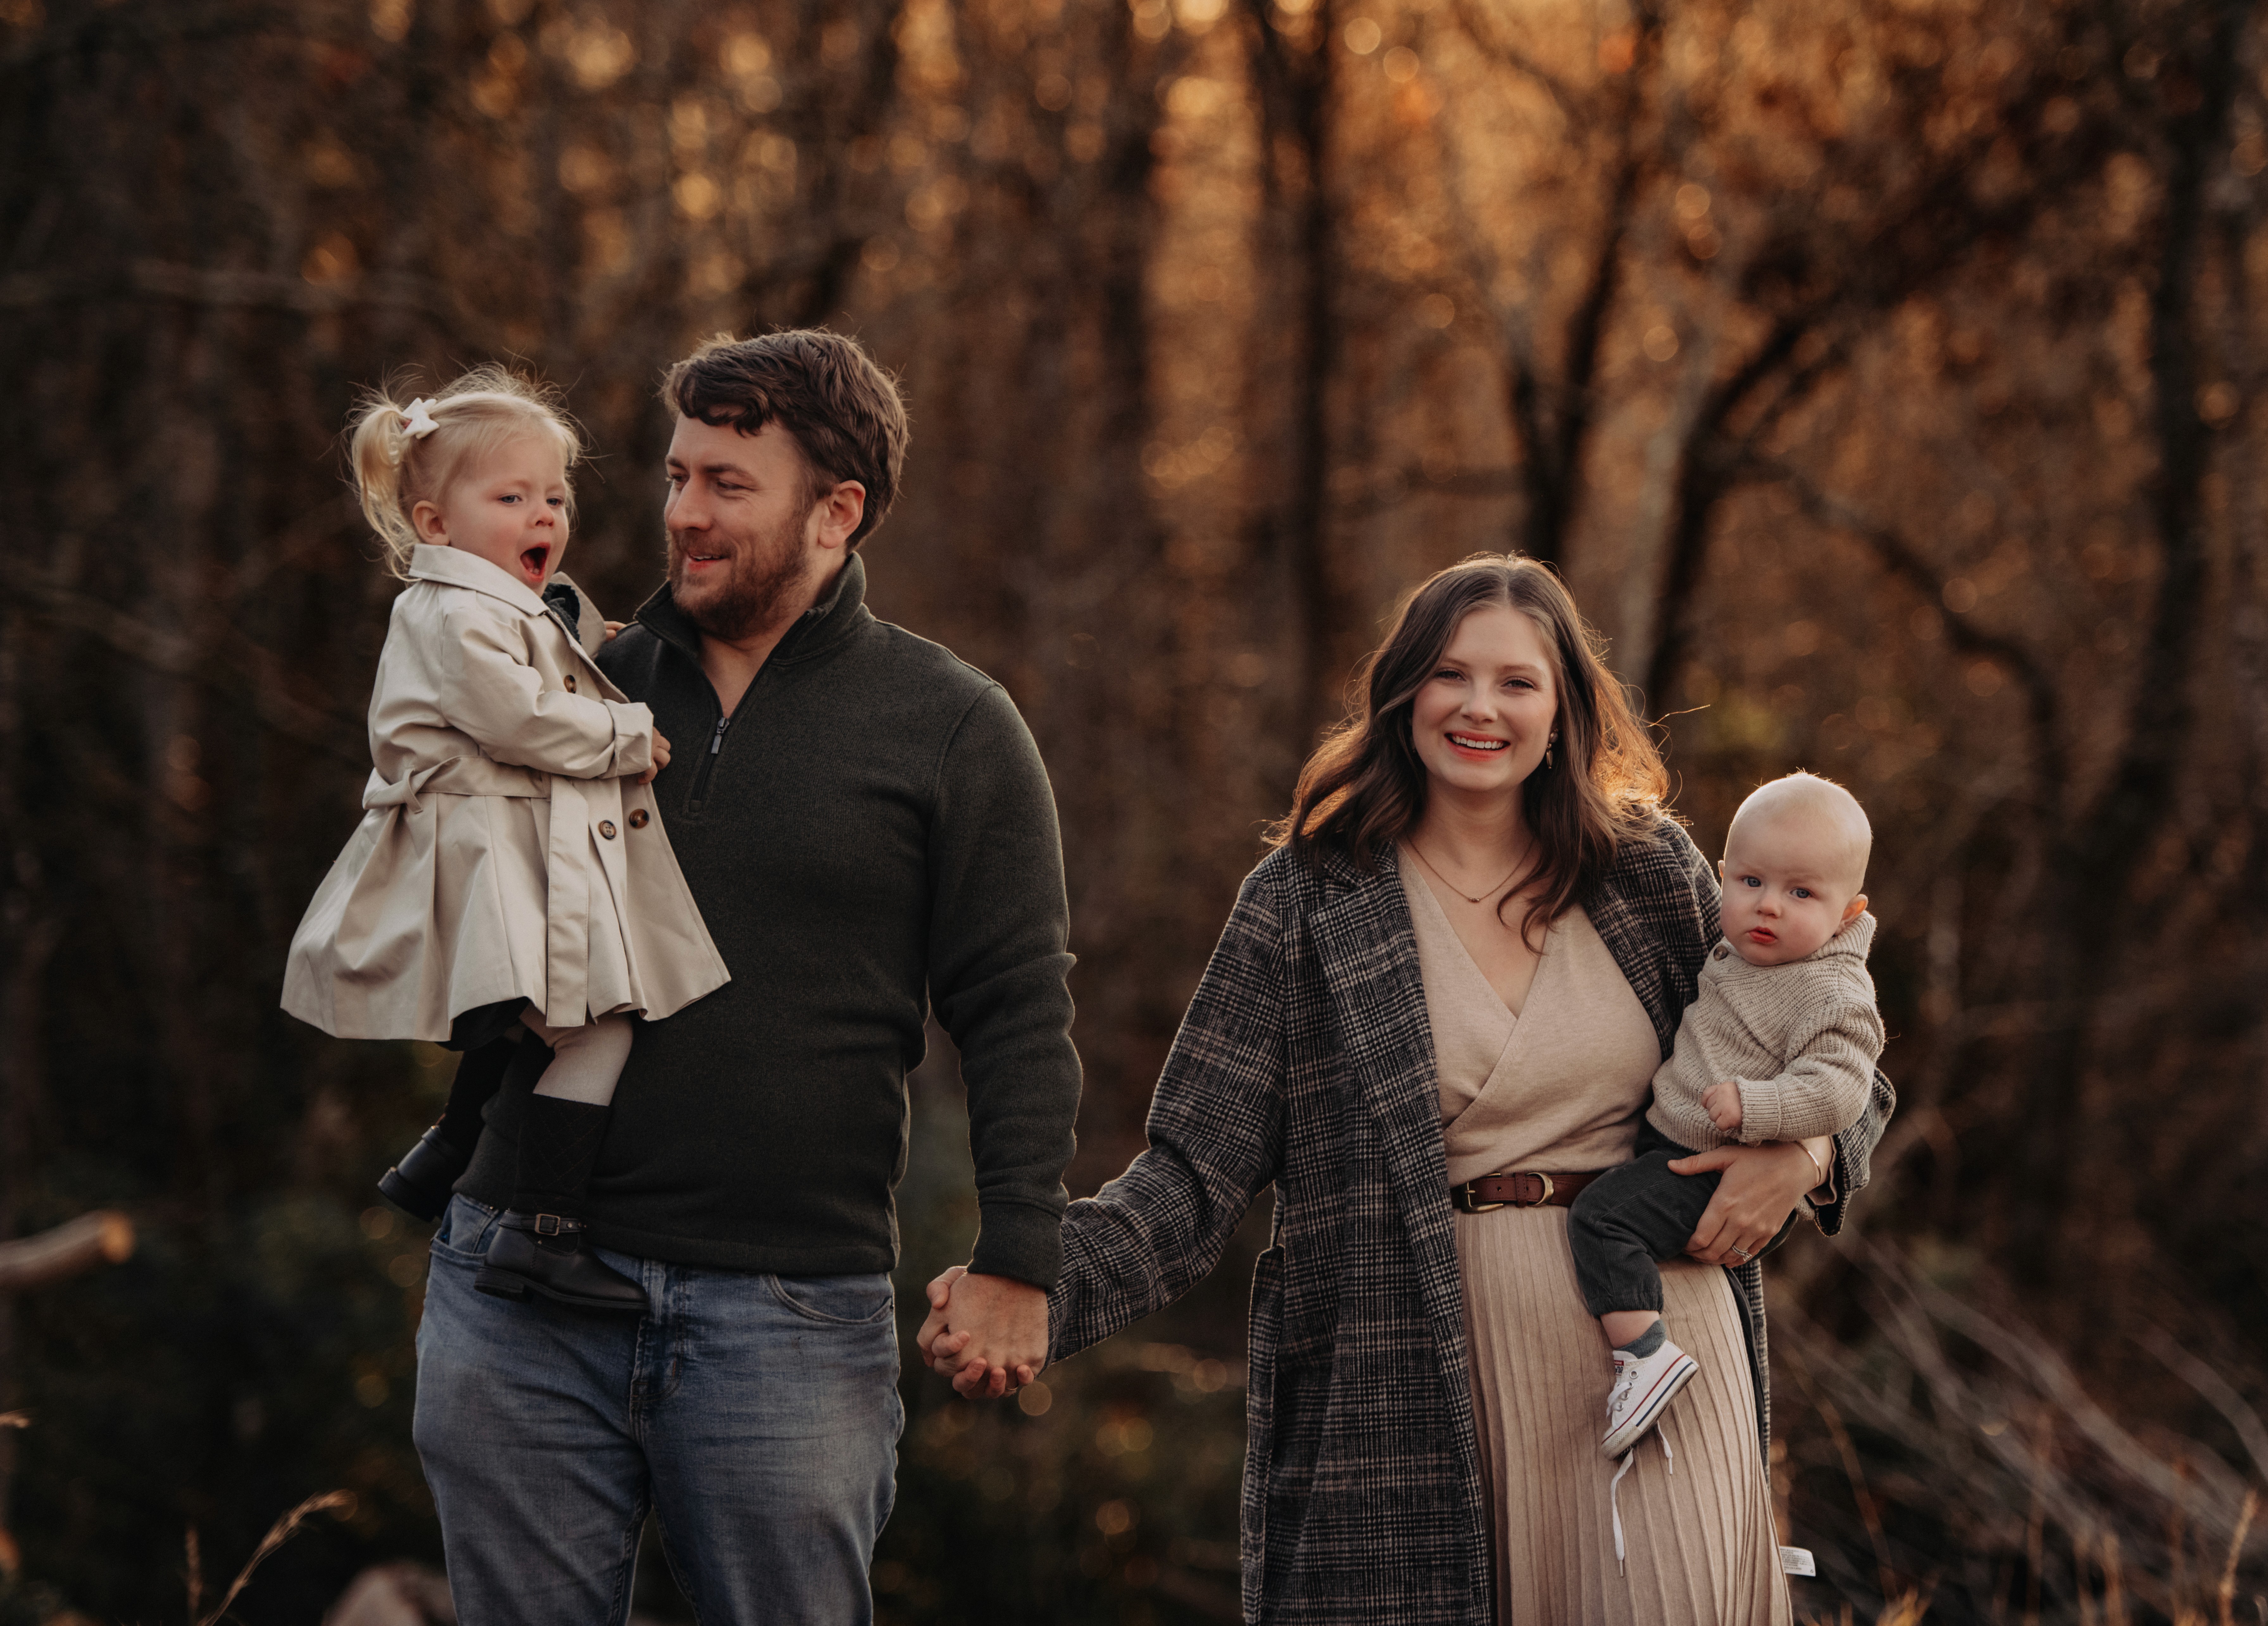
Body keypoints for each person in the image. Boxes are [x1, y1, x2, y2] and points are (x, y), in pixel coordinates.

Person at [922, 555, 1895, 1625]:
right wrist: (1031, 1283)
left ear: (1563, 704)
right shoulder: (1306, 898)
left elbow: (1842, 1056)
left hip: (1656, 1344)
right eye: (1448, 675)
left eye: (1516, 682)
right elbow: (1193, 1174)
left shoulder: (1648, 874)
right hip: (1417, 1357)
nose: (1480, 707)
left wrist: (1801, 1157)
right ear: (1403, 695)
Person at [410, 328, 1082, 1625]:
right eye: (676, 477)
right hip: (519, 1291)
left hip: (782, 1312)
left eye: (727, 484)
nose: (683, 515)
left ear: (838, 510)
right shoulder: (570, 671)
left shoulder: (949, 722)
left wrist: (1021, 1253)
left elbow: (1016, 1006)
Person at [282, 367, 729, 1314]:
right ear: (437, 524)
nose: (546, 516)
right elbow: (515, 718)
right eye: (513, 497)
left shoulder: (491, 607)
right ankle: (544, 1231)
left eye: (555, 496)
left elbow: (530, 671)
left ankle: (443, 1151)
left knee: (525, 1002)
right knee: (597, 1026)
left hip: (498, 842)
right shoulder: (453, 611)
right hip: (477, 845)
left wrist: (583, 640)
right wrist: (621, 736)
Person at [1566, 773, 1884, 1459]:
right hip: (1673, 1145)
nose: (1767, 907)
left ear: (1849, 913)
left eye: (1801, 893)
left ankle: (1646, 1355)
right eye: (1750, 883)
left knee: (1603, 1218)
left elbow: (1846, 1089)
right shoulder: (1740, 949)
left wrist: (1763, 1112)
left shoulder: (1832, 986)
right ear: (1723, 876)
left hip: (1715, 1170)